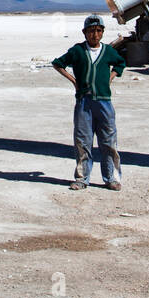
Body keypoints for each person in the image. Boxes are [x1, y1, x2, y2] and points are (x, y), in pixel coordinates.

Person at [52, 15, 127, 190]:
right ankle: (82, 178)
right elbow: (58, 63)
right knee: (83, 141)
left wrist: (111, 77)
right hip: (84, 103)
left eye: (98, 31)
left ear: (102, 33)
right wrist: (73, 80)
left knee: (108, 141)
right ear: (84, 33)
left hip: (104, 103)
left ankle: (111, 178)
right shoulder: (77, 51)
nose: (95, 35)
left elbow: (120, 63)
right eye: (91, 31)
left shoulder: (108, 51)